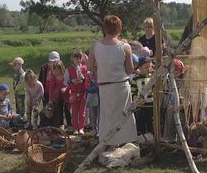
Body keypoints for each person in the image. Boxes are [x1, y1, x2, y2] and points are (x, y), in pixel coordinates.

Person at [88, 15, 137, 145]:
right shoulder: (125, 47)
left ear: (104, 28)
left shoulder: (96, 46)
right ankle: (125, 142)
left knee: (106, 116)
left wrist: (102, 66)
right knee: (124, 116)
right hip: (121, 85)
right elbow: (130, 69)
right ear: (119, 29)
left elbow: (90, 67)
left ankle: (107, 141)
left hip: (105, 86)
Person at [65, 48, 88, 135]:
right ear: (72, 58)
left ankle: (81, 128)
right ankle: (75, 128)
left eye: (79, 57)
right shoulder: (69, 69)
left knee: (82, 112)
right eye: (75, 57)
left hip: (83, 93)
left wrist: (84, 78)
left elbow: (88, 80)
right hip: (74, 93)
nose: (77, 59)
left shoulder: (84, 68)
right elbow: (65, 81)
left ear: (82, 58)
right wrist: (71, 81)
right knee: (74, 112)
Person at [162, 59, 186, 143]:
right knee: (169, 121)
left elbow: (184, 94)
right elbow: (166, 92)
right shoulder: (168, 79)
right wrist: (166, 102)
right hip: (170, 103)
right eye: (173, 73)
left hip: (180, 105)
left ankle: (180, 140)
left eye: (176, 73)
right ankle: (169, 138)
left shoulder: (183, 81)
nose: (175, 75)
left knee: (180, 121)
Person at [131, 57, 155, 135]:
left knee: (151, 124)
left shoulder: (152, 78)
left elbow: (155, 89)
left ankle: (151, 139)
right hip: (140, 107)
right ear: (140, 68)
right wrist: (137, 100)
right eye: (146, 67)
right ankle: (141, 140)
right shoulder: (135, 79)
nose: (148, 69)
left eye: (149, 67)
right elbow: (132, 92)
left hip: (151, 106)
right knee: (140, 124)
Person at [48, 60, 67, 128]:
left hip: (65, 96)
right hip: (57, 97)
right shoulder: (53, 78)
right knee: (59, 110)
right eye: (54, 70)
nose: (55, 72)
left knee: (67, 110)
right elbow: (51, 89)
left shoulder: (65, 76)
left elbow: (68, 84)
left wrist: (66, 89)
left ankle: (69, 124)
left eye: (57, 70)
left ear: (61, 69)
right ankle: (60, 123)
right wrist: (50, 99)